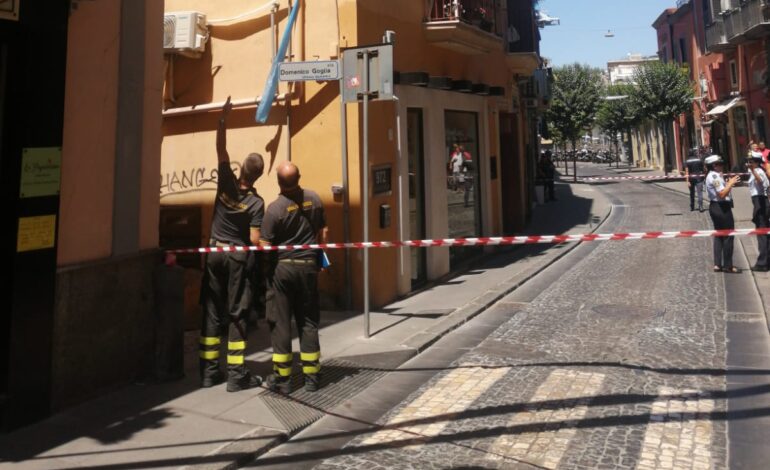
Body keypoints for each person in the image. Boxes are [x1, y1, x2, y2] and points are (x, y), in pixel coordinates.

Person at [199, 97, 265, 392]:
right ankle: (237, 374)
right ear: (258, 176)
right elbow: (253, 240)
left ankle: (209, 372)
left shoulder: (225, 181)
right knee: (237, 313)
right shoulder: (257, 202)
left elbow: (221, 149)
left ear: (241, 171)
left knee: (213, 312)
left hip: (214, 252)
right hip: (237, 258)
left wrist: (223, 120)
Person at [262, 162, 328, 394]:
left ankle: (284, 379)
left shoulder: (274, 209)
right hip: (309, 266)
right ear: (299, 177)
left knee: (281, 323)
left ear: (279, 182)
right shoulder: (315, 199)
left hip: (283, 269)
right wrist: (318, 257)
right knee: (308, 321)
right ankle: (312, 377)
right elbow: (324, 232)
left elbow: (265, 245)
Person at [705, 155, 741, 273]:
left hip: (716, 207)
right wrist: (730, 183)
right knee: (728, 236)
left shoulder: (714, 175)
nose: (722, 166)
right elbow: (722, 194)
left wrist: (727, 184)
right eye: (719, 164)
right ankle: (727, 266)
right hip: (721, 208)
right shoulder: (714, 176)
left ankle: (717, 264)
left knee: (719, 235)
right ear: (714, 165)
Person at [747, 153, 770, 271]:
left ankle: (762, 263)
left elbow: (760, 181)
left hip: (760, 202)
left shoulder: (758, 171)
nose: (748, 164)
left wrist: (753, 171)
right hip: (760, 201)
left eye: (751, 162)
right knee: (764, 232)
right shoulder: (757, 170)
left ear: (756, 162)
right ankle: (766, 261)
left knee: (761, 233)